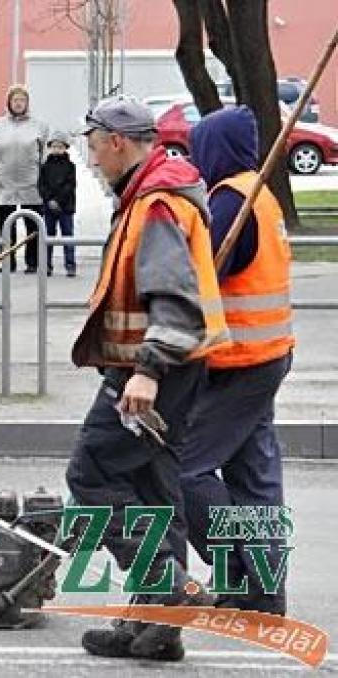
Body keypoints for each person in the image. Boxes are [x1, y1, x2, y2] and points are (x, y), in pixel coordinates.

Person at [66, 96, 230, 661]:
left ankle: (167, 590)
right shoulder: (151, 194)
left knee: (91, 474)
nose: (89, 159)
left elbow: (174, 300)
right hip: (170, 367)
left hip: (155, 370)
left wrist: (147, 372)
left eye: (93, 146)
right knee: (153, 489)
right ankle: (157, 628)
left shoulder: (157, 203)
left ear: (116, 142)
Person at [180, 106, 294, 616]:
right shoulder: (259, 195)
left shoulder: (234, 203)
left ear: (215, 149)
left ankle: (242, 572)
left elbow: (203, 271)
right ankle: (264, 589)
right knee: (254, 478)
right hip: (266, 356)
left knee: (186, 470)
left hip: (238, 361)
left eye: (198, 145)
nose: (194, 155)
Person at [0, 84, 49, 273]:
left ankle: (33, 262)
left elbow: (46, 149)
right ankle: (7, 261)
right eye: (15, 100)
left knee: (32, 224)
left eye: (22, 100)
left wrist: (41, 169)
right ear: (9, 103)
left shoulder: (39, 126)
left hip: (31, 184)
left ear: (27, 103)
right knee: (6, 224)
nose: (18, 104)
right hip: (5, 184)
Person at [37, 130, 78, 277]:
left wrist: (58, 200)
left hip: (66, 207)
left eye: (60, 147)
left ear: (65, 148)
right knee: (48, 236)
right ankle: (47, 265)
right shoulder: (45, 167)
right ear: (49, 147)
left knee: (68, 236)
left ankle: (70, 264)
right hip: (49, 208)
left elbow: (70, 185)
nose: (57, 149)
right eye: (54, 146)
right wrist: (49, 200)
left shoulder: (70, 166)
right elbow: (41, 185)